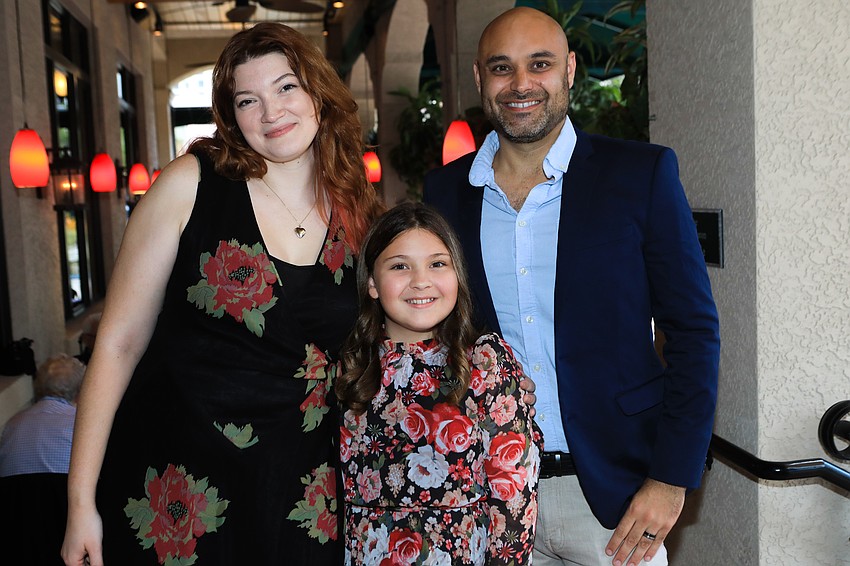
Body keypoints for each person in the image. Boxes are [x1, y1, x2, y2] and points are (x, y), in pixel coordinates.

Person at [61, 23, 384, 566]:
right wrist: (78, 504)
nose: (271, 112)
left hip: (309, 496)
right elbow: (116, 345)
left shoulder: (356, 203)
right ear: (231, 116)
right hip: (181, 490)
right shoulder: (191, 183)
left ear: (318, 94)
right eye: (247, 100)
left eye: (286, 87)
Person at [424, 7, 720, 566]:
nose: (520, 85)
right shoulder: (443, 193)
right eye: (501, 67)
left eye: (540, 64)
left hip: (616, 501)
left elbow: (693, 331)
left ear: (570, 71)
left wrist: (670, 479)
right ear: (478, 78)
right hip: (490, 497)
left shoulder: (641, 175)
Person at [337, 202, 542, 565]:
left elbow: (515, 494)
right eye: (400, 266)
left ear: (457, 275)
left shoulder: (483, 361)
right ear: (371, 282)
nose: (421, 280)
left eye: (437, 263)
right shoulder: (351, 366)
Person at [0, 354, 85, 477]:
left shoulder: (13, 423)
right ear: (80, 391)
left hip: (17, 495)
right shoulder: (80, 424)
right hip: (63, 494)